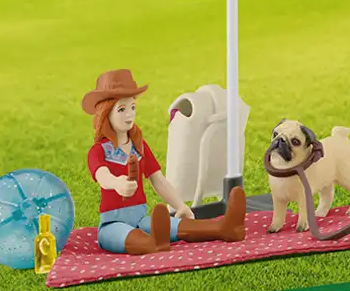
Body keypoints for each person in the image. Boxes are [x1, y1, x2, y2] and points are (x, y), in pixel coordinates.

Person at [82, 69, 245, 254]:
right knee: (124, 235)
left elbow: (158, 180)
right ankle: (154, 243)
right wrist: (117, 183)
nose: (129, 115)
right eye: (121, 109)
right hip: (112, 223)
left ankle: (225, 227)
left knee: (173, 224)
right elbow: (102, 176)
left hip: (141, 219)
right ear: (105, 113)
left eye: (132, 107)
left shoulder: (139, 147)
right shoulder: (98, 151)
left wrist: (180, 205)